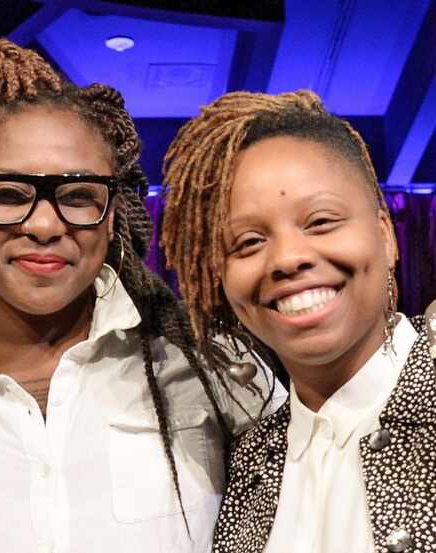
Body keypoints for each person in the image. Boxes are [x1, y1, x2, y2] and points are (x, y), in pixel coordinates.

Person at [0, 39, 278, 553]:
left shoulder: (215, 375)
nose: (43, 225)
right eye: (8, 194)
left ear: (112, 214)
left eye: (79, 196)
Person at [162, 89, 436, 552]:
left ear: (385, 236)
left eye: (322, 221)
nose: (287, 258)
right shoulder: (250, 466)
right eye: (247, 242)